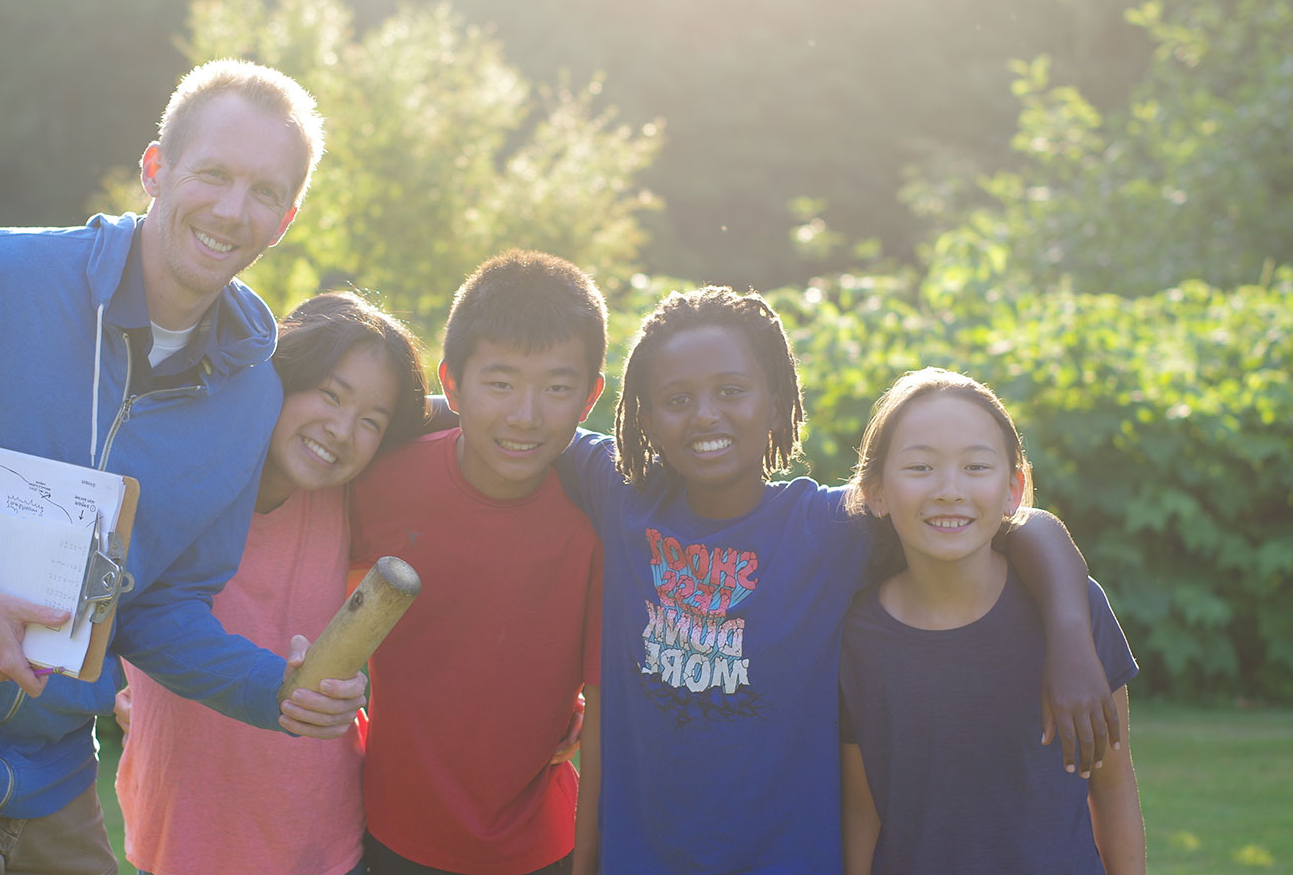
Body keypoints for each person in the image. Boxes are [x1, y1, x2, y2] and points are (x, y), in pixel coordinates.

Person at [0, 58, 366, 874]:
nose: (230, 210)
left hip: (52, 773)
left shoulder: (251, 397)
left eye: (263, 192)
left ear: (285, 218)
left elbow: (161, 608)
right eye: (212, 174)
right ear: (155, 169)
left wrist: (276, 689)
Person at [551, 285, 1123, 873]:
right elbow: (519, 422)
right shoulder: (620, 494)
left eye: (731, 391)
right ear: (642, 416)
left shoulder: (828, 528)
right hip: (643, 859)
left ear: (776, 402)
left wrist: (1071, 637)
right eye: (676, 398)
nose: (705, 415)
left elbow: (1021, 526)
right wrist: (447, 405)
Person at [116, 291, 427, 875]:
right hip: (179, 831)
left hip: (321, 837)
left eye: (370, 422)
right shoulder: (181, 474)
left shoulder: (348, 500)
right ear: (281, 375)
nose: (341, 430)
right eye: (331, 396)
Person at [348, 249, 606, 875]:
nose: (525, 414)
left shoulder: (597, 527)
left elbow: (601, 718)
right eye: (500, 383)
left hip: (541, 846)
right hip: (386, 829)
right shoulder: (378, 480)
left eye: (556, 387)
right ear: (453, 384)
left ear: (590, 397)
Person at [836, 367, 1145, 874]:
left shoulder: (1073, 610)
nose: (949, 490)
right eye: (920, 468)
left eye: (976, 467)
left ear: (1013, 489)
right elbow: (861, 808)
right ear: (876, 492)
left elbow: (1111, 790)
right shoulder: (856, 637)